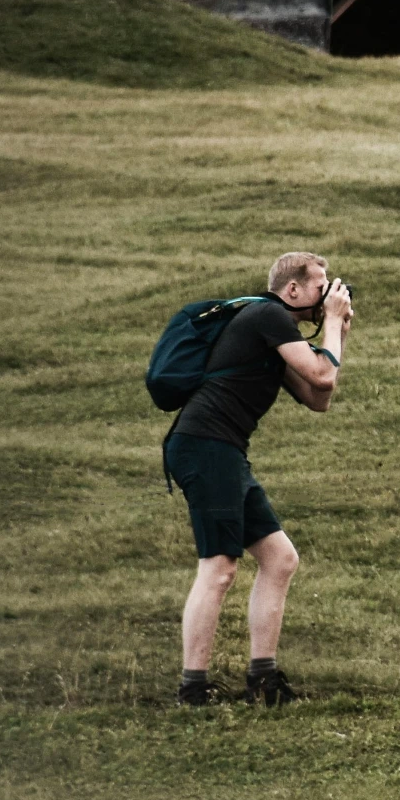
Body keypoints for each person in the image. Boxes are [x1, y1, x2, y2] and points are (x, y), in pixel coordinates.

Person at [164, 251, 353, 706]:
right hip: (205, 446)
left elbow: (318, 397)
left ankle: (263, 680)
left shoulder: (273, 331)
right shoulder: (267, 315)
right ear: (291, 289)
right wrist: (329, 326)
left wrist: (338, 333)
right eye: (318, 287)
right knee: (220, 567)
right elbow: (323, 373)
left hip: (223, 450)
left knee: (280, 559)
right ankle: (192, 689)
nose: (324, 296)